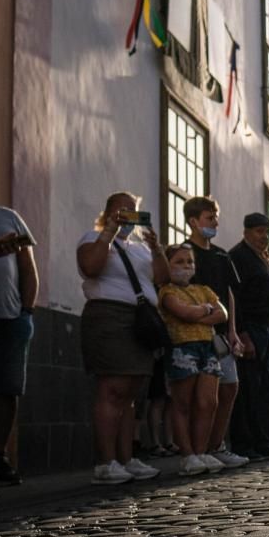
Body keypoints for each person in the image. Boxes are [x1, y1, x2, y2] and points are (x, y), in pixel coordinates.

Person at [76, 192, 167, 484]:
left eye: (133, 210)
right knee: (112, 389)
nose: (128, 215)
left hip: (140, 320)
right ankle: (105, 462)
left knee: (131, 393)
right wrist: (108, 234)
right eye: (121, 210)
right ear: (107, 213)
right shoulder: (93, 237)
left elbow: (162, 278)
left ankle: (126, 458)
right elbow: (91, 267)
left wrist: (157, 250)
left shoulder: (140, 248)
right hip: (109, 317)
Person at [183, 197, 248, 469]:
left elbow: (229, 293)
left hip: (221, 333)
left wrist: (232, 330)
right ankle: (196, 450)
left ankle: (216, 445)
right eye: (210, 218)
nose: (215, 223)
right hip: (195, 332)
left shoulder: (222, 256)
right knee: (201, 396)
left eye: (216, 218)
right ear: (193, 221)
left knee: (229, 387)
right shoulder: (184, 254)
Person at [157, 244, 227, 476]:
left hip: (207, 347)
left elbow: (222, 314)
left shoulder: (203, 289)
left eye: (190, 261)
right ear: (167, 265)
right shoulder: (167, 292)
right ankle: (187, 455)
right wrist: (205, 311)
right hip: (182, 348)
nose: (186, 266)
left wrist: (199, 313)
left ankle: (201, 451)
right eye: (179, 261)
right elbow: (182, 313)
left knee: (208, 402)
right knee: (183, 403)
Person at [228, 213, 269, 458]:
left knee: (264, 388)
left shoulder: (261, 258)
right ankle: (245, 443)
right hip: (248, 326)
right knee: (249, 388)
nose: (264, 237)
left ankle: (262, 441)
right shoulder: (238, 257)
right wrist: (242, 333)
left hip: (263, 328)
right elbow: (236, 298)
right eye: (260, 231)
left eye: (267, 232)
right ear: (247, 232)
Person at [0, 206, 37, 485]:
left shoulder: (9, 217)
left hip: (9, 318)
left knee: (7, 390)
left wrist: (27, 311)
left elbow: (28, 268)